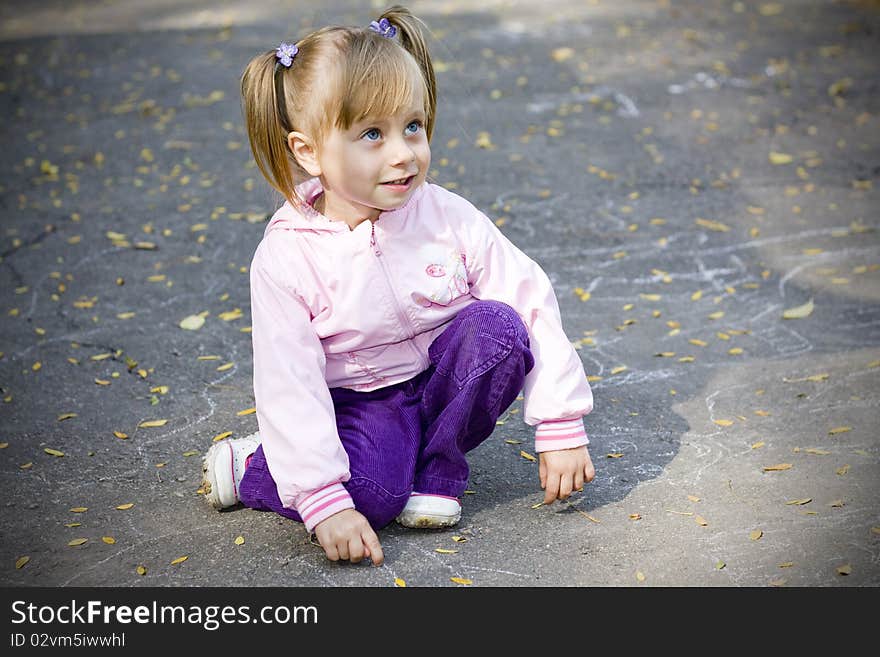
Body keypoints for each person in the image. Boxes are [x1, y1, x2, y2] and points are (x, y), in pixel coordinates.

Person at [201, 6, 595, 567]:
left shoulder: (446, 217)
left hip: (437, 377)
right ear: (307, 150)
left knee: (500, 329)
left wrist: (560, 421)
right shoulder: (288, 256)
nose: (403, 152)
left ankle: (437, 466)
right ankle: (257, 467)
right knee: (369, 497)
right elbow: (289, 382)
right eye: (371, 134)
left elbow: (528, 300)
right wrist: (322, 499)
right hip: (358, 402)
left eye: (412, 125)